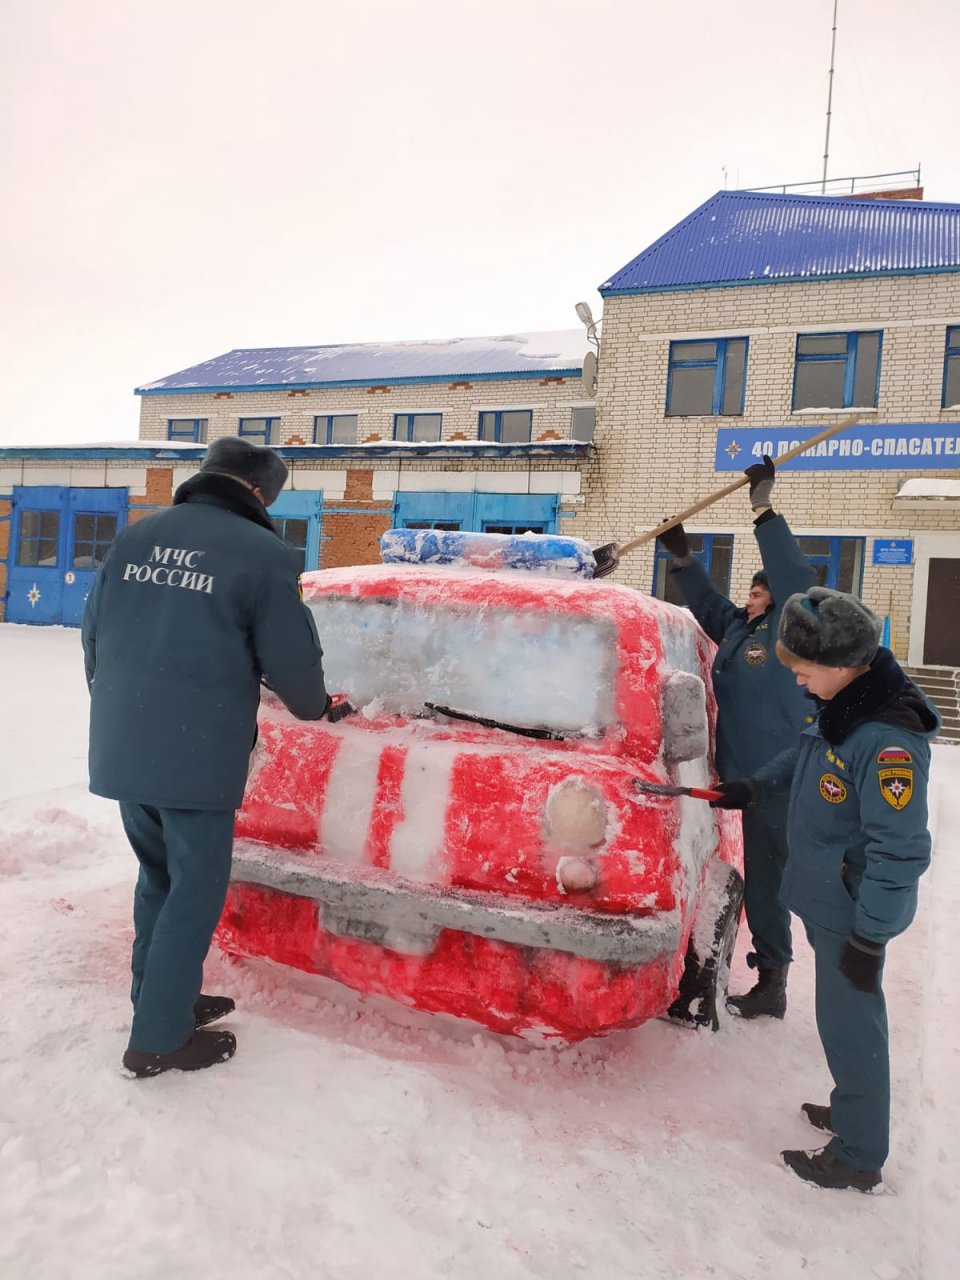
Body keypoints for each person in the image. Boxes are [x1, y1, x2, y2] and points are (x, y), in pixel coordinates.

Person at [82, 437, 336, 1078]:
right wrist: (318, 707)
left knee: (158, 881)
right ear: (259, 493)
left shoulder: (136, 537)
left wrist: (124, 713)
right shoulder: (264, 555)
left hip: (125, 739)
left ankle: (161, 1001)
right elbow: (293, 665)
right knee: (193, 892)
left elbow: (93, 636)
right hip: (196, 755)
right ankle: (159, 1041)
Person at [712, 587, 938, 1191]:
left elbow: (902, 850)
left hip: (854, 914)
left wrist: (871, 935)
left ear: (841, 665)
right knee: (841, 1022)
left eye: (805, 670)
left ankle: (859, 1155)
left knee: (852, 1025)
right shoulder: (847, 704)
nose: (799, 682)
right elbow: (804, 755)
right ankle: (851, 1109)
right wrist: (754, 787)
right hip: (829, 897)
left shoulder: (887, 743)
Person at [658, 456, 815, 1019]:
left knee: (804, 883)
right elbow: (708, 606)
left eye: (755, 592)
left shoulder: (790, 629)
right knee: (769, 882)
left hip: (790, 775)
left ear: (775, 600)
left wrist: (763, 509)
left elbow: (794, 577)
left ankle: (845, 964)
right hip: (752, 781)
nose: (747, 599)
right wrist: (683, 558)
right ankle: (773, 981)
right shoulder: (741, 629)